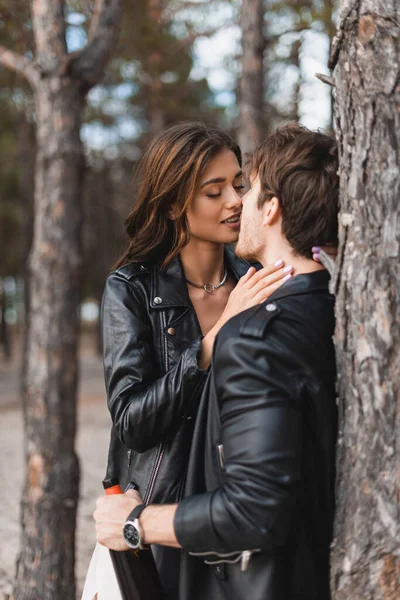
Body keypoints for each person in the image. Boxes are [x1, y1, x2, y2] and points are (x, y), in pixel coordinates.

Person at [95, 123, 339, 600]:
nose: (233, 200)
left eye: (239, 185)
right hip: (160, 505)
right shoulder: (132, 289)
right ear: (172, 204)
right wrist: (209, 344)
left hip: (239, 503)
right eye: (214, 191)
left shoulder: (258, 278)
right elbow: (131, 422)